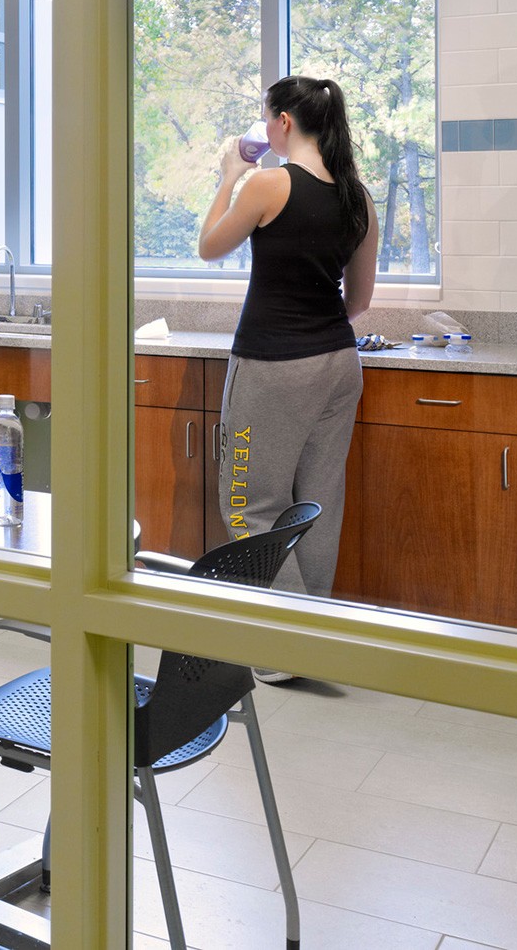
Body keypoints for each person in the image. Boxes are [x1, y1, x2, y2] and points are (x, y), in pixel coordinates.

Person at [197, 75, 380, 649]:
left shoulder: (267, 185)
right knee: (317, 502)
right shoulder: (358, 198)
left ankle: (283, 647)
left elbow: (208, 247)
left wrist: (230, 175)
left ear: (282, 124)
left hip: (274, 366)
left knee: (250, 505)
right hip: (337, 364)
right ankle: (314, 635)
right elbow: (359, 301)